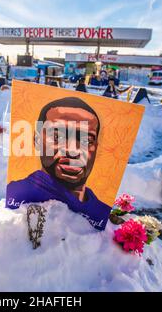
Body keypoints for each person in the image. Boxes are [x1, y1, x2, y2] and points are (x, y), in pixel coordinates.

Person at [6, 97, 112, 231]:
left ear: (96, 147)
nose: (73, 151)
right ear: (37, 140)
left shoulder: (101, 212)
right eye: (58, 137)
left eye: (86, 141)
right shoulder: (16, 195)